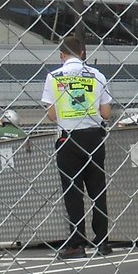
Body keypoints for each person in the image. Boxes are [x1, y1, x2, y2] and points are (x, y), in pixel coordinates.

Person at [41, 32, 113, 259]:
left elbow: (51, 115)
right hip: (94, 137)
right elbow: (106, 113)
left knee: (73, 192)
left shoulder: (54, 77)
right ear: (83, 54)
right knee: (97, 190)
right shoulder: (97, 75)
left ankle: (77, 243)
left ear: (61, 55)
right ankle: (102, 242)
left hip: (67, 139)